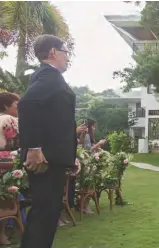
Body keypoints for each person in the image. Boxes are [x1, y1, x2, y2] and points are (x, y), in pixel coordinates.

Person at [17, 34, 77, 248]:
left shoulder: (45, 76)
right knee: (45, 213)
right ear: (53, 52)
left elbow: (57, 120)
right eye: (65, 52)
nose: (67, 57)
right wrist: (33, 148)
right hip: (45, 160)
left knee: (47, 213)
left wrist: (71, 155)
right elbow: (27, 105)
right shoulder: (49, 77)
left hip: (53, 157)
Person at [0, 92, 20, 245]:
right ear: (6, 106)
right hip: (5, 162)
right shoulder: (8, 120)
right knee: (6, 197)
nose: (19, 107)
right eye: (16, 104)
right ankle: (3, 234)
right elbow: (13, 142)